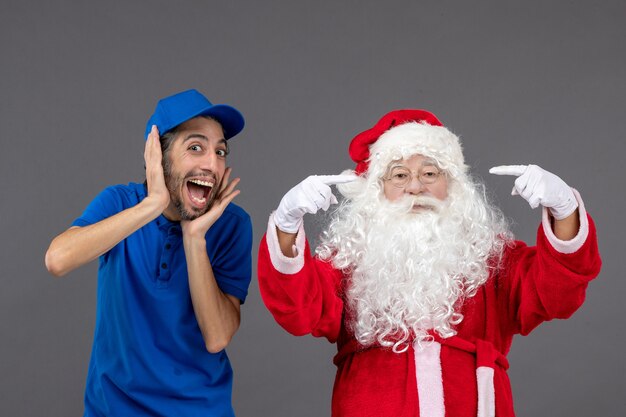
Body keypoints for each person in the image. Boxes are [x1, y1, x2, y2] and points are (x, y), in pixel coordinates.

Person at [257, 109, 601, 417]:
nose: (415, 187)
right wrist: (287, 224)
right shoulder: (349, 262)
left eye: (430, 173)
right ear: (377, 189)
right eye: (399, 175)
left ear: (452, 185)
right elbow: (297, 310)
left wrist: (564, 209)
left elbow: (558, 293)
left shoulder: (489, 257)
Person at [45, 89, 252, 417]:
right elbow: (58, 259)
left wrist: (195, 237)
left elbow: (217, 337)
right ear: (158, 154)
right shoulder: (120, 204)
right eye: (195, 147)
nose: (212, 164)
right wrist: (153, 205)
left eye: (220, 151)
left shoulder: (232, 225)